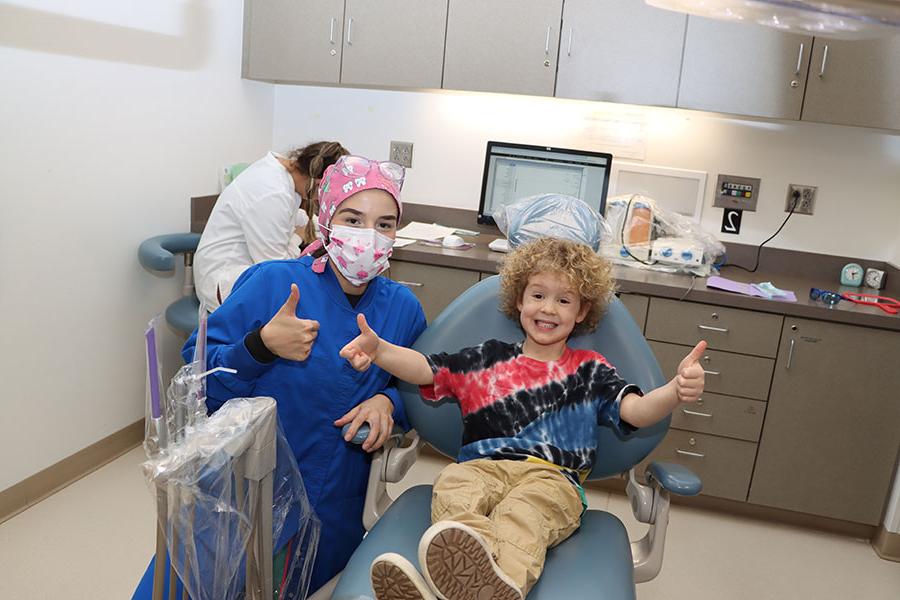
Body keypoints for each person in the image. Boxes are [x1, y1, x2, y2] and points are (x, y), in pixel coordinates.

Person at [340, 237, 707, 600]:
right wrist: (381, 350)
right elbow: (425, 368)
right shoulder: (487, 358)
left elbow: (636, 411)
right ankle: (463, 580)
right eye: (538, 295)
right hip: (481, 465)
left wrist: (675, 390)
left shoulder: (590, 371)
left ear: (581, 312)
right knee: (455, 487)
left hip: (552, 477)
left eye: (564, 300)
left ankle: (501, 586)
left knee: (524, 514)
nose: (548, 308)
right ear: (519, 300)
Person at [131, 155, 426, 598]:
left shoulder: (403, 310)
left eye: (384, 224)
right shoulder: (273, 282)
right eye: (353, 218)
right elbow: (199, 379)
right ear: (325, 221)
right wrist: (260, 347)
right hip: (237, 494)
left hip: (330, 503)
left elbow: (421, 386)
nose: (369, 236)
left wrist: (390, 404)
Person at [194, 141, 349, 310]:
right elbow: (277, 270)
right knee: (313, 304)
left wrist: (311, 227)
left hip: (232, 269)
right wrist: (298, 237)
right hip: (223, 284)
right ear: (320, 184)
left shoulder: (281, 170)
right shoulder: (272, 193)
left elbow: (295, 217)